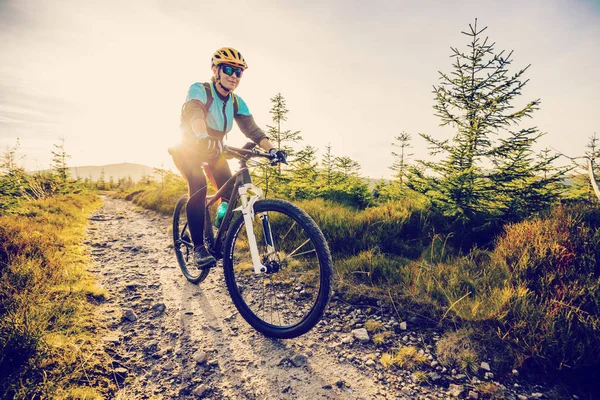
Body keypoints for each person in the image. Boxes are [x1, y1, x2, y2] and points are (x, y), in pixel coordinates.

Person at [171, 47, 286, 270]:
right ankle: (198, 248)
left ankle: (218, 228)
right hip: (188, 148)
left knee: (231, 189)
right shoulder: (200, 90)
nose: (233, 75)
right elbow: (195, 114)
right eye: (228, 69)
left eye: (238, 72)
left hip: (214, 151)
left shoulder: (236, 102)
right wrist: (202, 135)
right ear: (216, 70)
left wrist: (273, 150)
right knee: (198, 187)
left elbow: (253, 130)